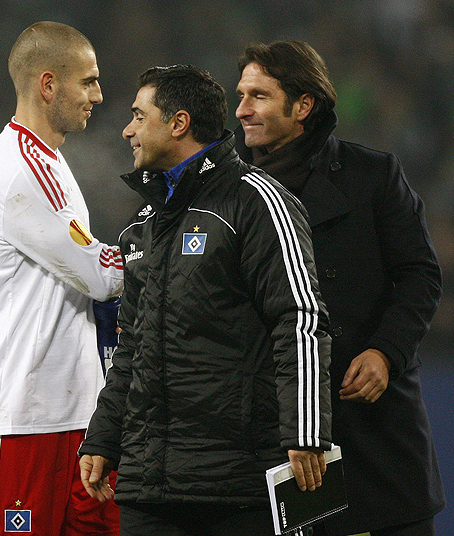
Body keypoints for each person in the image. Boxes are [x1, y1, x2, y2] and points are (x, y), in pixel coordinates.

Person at [77, 64, 332, 536]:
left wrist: (305, 430)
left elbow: (298, 319)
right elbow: (131, 346)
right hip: (148, 486)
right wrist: (105, 436)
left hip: (237, 485)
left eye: (138, 115)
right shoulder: (141, 226)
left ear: (179, 123)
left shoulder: (256, 202)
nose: (127, 130)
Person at [234, 40, 445, 536]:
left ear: (303, 105)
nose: (241, 109)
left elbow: (420, 275)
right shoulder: (230, 190)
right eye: (241, 95)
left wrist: (385, 353)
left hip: (372, 420)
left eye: (259, 96)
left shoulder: (372, 175)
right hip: (272, 431)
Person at [0, 21, 123, 536]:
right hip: (19, 419)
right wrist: (159, 252)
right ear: (48, 85)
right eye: (88, 81)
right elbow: (97, 275)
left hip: (74, 412)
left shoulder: (48, 161)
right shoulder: (18, 171)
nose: (98, 94)